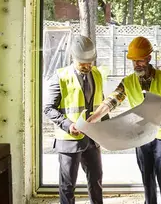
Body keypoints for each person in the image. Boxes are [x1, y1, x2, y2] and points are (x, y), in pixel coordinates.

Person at [86, 36, 161, 204]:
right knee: (147, 181)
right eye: (133, 61)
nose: (136, 64)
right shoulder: (128, 81)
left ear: (148, 58)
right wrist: (92, 119)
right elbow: (110, 102)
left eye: (140, 60)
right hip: (140, 137)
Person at [43, 35, 109, 204]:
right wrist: (68, 125)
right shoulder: (60, 77)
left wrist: (108, 128)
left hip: (93, 139)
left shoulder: (97, 75)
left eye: (90, 62)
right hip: (69, 140)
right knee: (67, 185)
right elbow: (48, 108)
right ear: (73, 57)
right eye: (83, 63)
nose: (87, 66)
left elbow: (101, 106)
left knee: (96, 181)